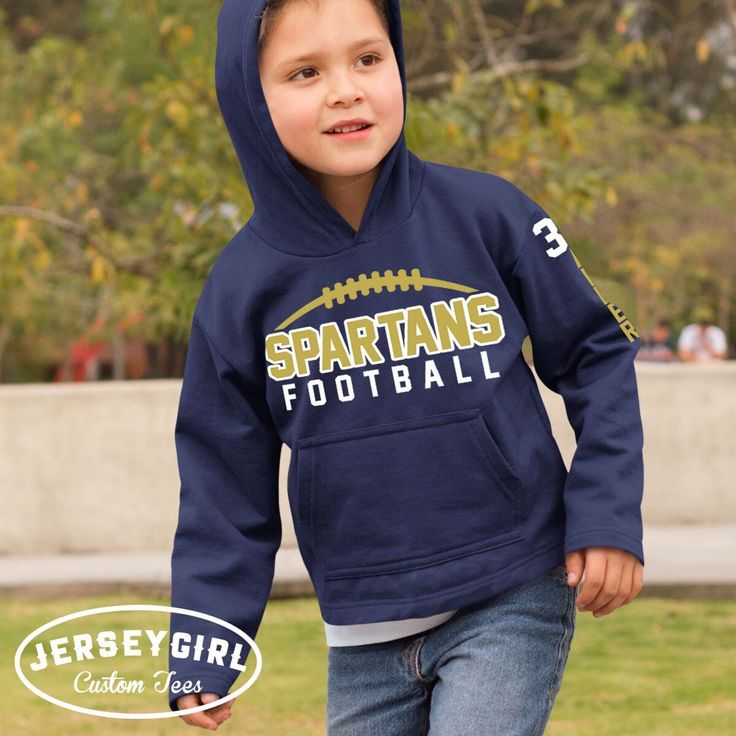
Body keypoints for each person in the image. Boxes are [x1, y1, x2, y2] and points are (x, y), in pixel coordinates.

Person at [167, 0, 646, 732]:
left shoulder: (489, 214)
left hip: (511, 587)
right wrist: (209, 640)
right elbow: (220, 482)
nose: (346, 90)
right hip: (361, 627)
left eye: (368, 58)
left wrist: (606, 512)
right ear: (247, 98)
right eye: (304, 72)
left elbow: (597, 351)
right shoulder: (239, 288)